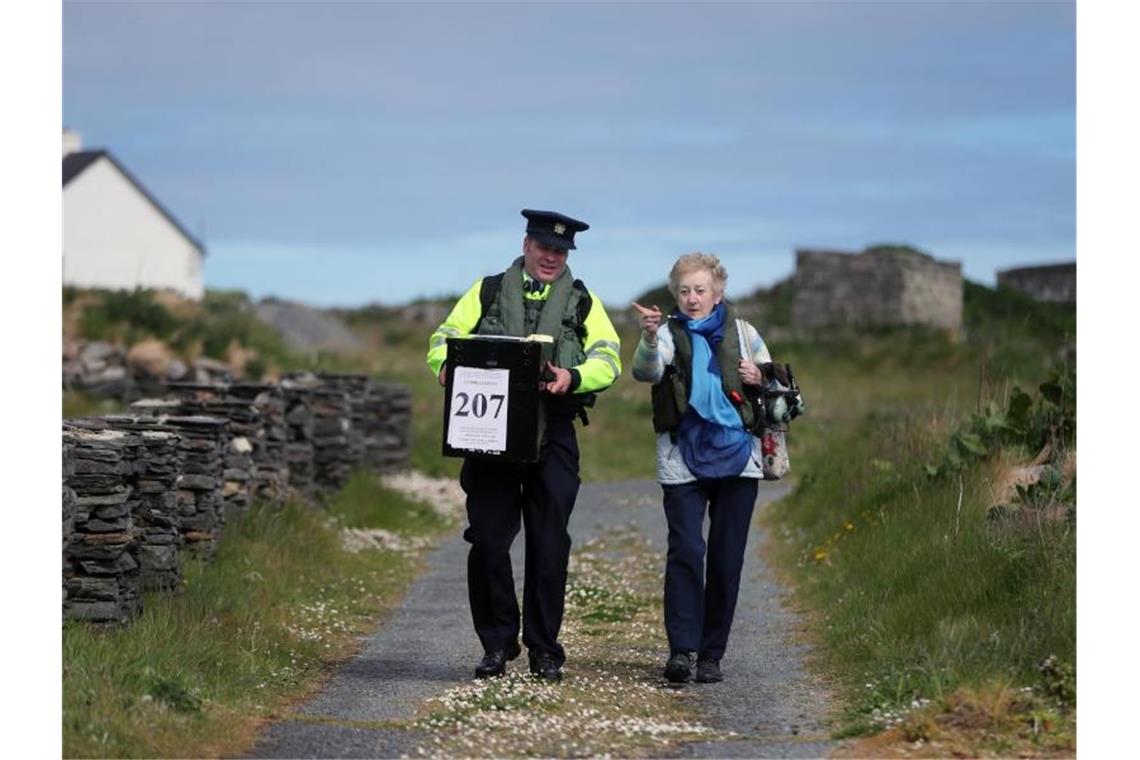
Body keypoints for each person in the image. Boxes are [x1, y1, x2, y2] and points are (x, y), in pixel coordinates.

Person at [426, 209, 622, 682]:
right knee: (490, 542)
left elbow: (609, 356)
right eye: (544, 247)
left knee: (549, 542)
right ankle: (496, 645)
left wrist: (572, 376)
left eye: (560, 250)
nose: (552, 256)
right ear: (526, 244)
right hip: (488, 431)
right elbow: (444, 338)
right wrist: (445, 367)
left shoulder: (583, 301)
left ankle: (544, 650)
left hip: (553, 431)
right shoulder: (487, 290)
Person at [631, 252, 774, 685]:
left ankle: (711, 655)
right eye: (685, 291)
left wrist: (759, 378)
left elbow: (775, 385)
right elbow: (646, 372)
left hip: (738, 457)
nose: (693, 299)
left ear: (718, 292)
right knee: (687, 552)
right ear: (676, 294)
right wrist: (650, 338)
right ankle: (681, 651)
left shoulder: (746, 335)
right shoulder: (668, 334)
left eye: (701, 290)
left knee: (727, 559)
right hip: (682, 458)